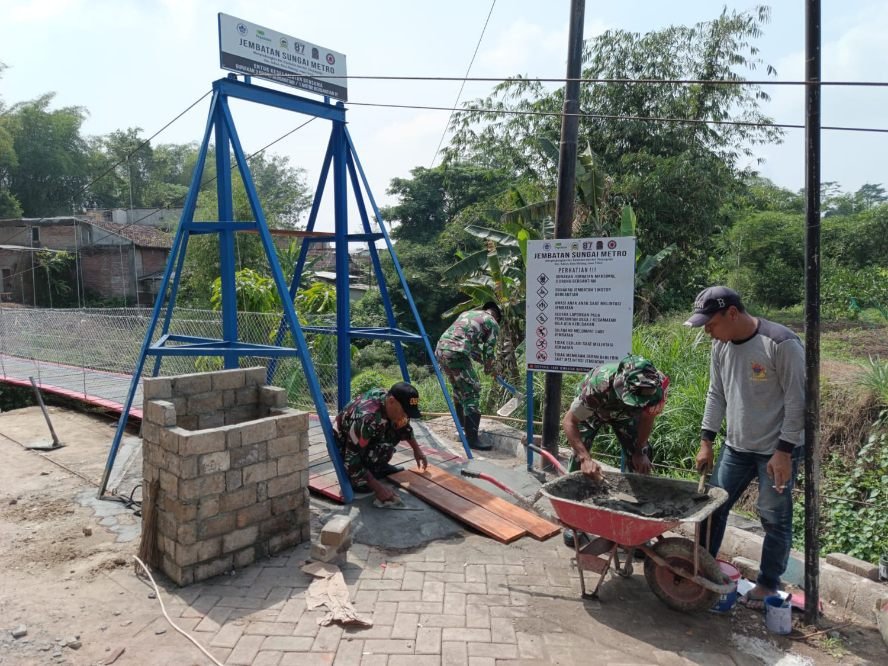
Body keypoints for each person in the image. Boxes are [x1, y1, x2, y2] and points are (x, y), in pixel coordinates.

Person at [685, 286, 805, 609]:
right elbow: (716, 394)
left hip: (776, 450)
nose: (708, 332)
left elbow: (797, 403)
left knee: (774, 519)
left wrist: (784, 452)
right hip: (736, 447)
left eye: (711, 324)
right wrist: (706, 441)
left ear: (733, 314)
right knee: (712, 508)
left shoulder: (781, 343)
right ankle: (701, 569)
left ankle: (767, 584)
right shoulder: (721, 348)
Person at [561, 354, 667, 547]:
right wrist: (585, 458)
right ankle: (573, 521)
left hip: (626, 417)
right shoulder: (599, 384)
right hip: (595, 410)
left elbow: (647, 419)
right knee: (579, 460)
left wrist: (639, 449)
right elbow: (569, 421)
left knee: (640, 460)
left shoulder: (657, 391)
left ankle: (635, 520)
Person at [333, 381, 428, 503]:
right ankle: (357, 480)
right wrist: (378, 488)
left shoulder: (390, 400)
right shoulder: (367, 418)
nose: (405, 415)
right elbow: (351, 459)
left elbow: (404, 426)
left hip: (363, 434)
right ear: (392, 401)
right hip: (345, 445)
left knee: (389, 439)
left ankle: (378, 467)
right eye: (404, 411)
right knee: (367, 475)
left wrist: (417, 450)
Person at [435, 301, 502, 451]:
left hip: (441, 349)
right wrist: (490, 368)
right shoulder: (493, 323)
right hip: (456, 353)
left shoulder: (467, 314)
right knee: (472, 391)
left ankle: (463, 431)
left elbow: (470, 346)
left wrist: (484, 363)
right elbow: (489, 351)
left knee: (459, 390)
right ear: (497, 317)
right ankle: (472, 439)